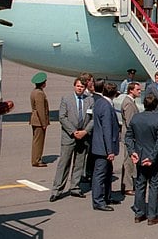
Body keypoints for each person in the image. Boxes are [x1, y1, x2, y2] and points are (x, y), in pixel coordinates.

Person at [50, 76, 94, 202]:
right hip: (69, 136)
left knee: (79, 164)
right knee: (64, 163)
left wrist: (84, 131)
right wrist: (73, 132)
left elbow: (93, 118)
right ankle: (57, 189)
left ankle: (75, 187)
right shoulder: (66, 99)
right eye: (78, 86)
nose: (80, 88)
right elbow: (62, 117)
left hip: (83, 136)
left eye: (82, 87)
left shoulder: (90, 100)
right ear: (74, 86)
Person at [125, 93, 158, 225]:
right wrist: (152, 157)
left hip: (140, 155)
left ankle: (139, 213)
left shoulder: (136, 118)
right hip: (153, 158)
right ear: (155, 105)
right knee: (154, 185)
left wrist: (132, 152)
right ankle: (152, 215)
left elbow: (128, 137)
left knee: (140, 184)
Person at [91, 80, 120, 211]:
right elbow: (107, 130)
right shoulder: (107, 106)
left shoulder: (99, 102)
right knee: (100, 174)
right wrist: (110, 151)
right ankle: (98, 200)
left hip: (100, 145)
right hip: (103, 147)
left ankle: (106, 196)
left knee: (107, 173)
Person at [120, 82, 141, 195]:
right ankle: (127, 186)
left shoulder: (130, 102)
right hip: (130, 138)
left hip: (130, 137)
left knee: (130, 162)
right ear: (131, 90)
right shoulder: (128, 104)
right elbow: (130, 123)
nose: (140, 91)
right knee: (128, 162)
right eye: (138, 89)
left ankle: (128, 184)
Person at [29, 72, 49, 167]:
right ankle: (37, 160)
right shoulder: (39, 94)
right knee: (39, 141)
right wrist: (44, 123)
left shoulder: (35, 91)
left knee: (36, 140)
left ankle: (36, 158)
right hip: (39, 121)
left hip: (35, 119)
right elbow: (41, 110)